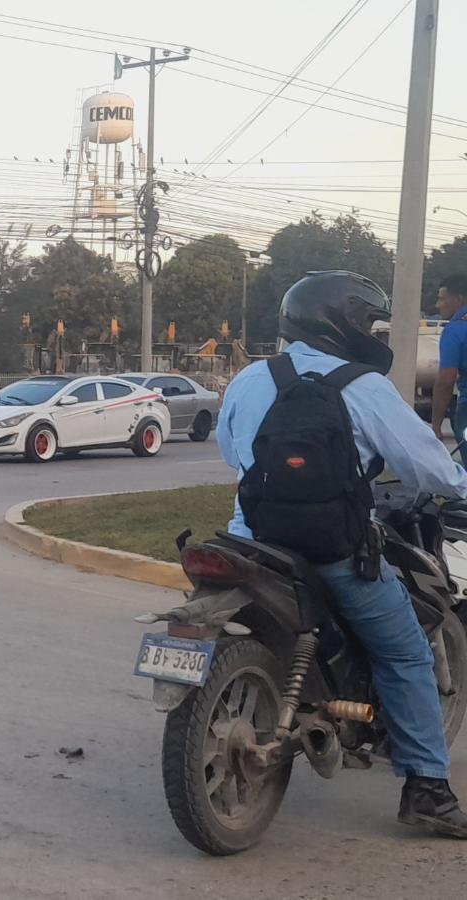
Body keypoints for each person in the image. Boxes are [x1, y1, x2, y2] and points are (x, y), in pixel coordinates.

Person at [217, 270, 467, 839]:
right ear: (345, 324)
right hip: (330, 551)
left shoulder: (251, 378)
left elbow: (233, 452)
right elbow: (425, 466)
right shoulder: (361, 385)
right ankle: (427, 788)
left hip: (247, 540)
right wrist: (459, 481)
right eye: (367, 321)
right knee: (405, 653)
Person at [430, 274, 467, 441]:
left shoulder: (456, 329)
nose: (438, 305)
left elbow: (446, 380)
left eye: (442, 299)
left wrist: (436, 424)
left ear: (458, 299)